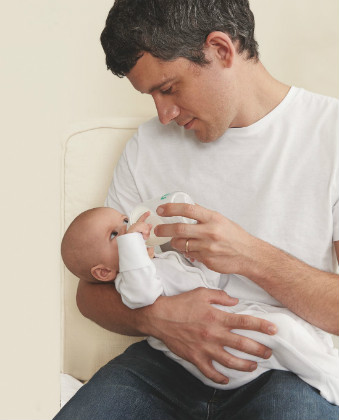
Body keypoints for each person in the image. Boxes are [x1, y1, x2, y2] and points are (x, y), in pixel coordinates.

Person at [53, 1, 339, 419]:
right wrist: (160, 319)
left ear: (221, 50)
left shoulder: (329, 135)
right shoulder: (147, 146)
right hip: (163, 365)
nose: (163, 114)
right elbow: (90, 291)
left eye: (167, 88)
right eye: (151, 95)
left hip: (285, 371)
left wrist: (251, 257)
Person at [61, 206, 339, 405]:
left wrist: (196, 257)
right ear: (103, 273)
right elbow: (143, 295)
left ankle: (323, 355)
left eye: (124, 220)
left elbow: (207, 281)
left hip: (227, 320)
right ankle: (329, 379)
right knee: (280, 331)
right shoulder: (129, 281)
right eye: (115, 234)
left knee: (290, 323)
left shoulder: (158, 263)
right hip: (213, 352)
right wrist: (132, 241)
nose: (129, 229)